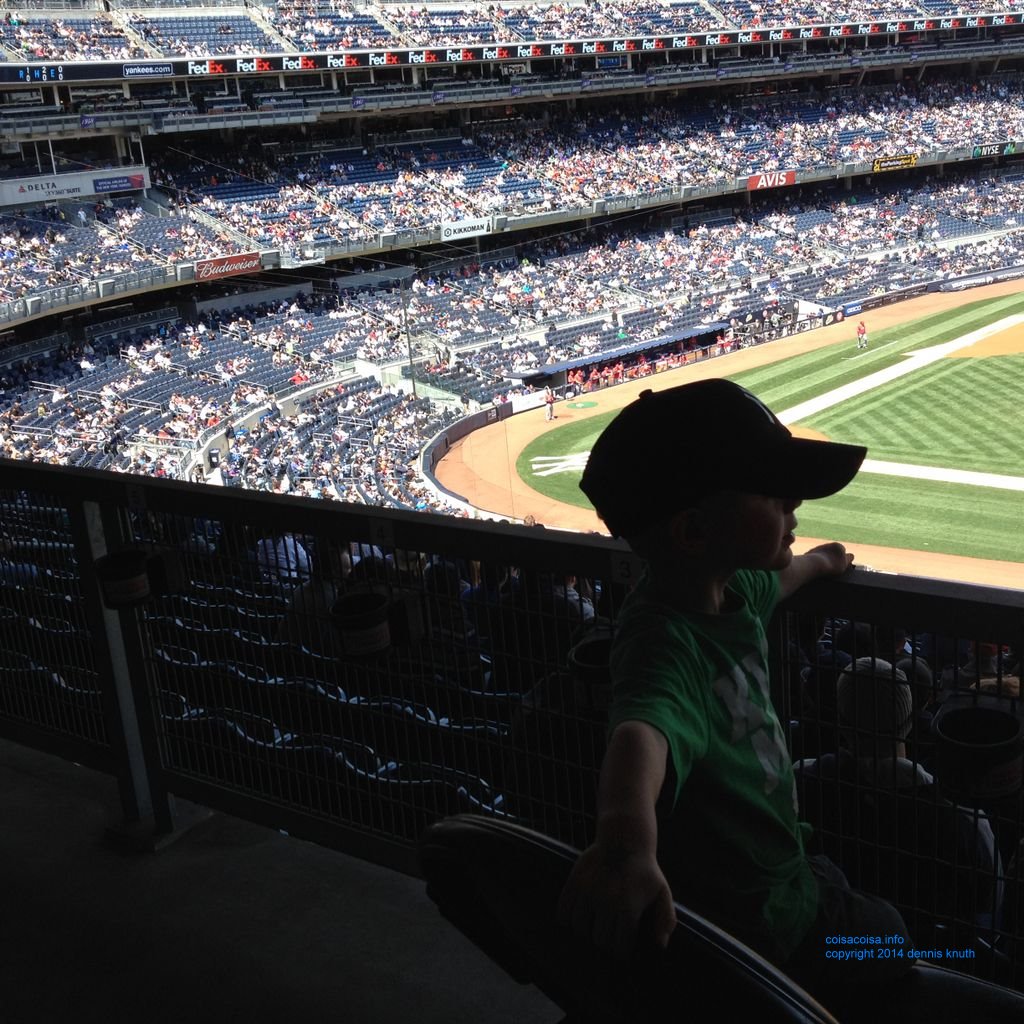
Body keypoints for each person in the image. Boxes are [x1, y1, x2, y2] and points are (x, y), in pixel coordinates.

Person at [558, 378, 912, 1000]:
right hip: (767, 921)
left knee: (838, 882)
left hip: (785, 871)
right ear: (694, 532)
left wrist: (827, 561)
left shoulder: (728, 586)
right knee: (897, 939)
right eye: (774, 494)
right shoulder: (663, 643)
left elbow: (785, 580)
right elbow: (641, 733)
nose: (794, 501)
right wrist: (624, 846)